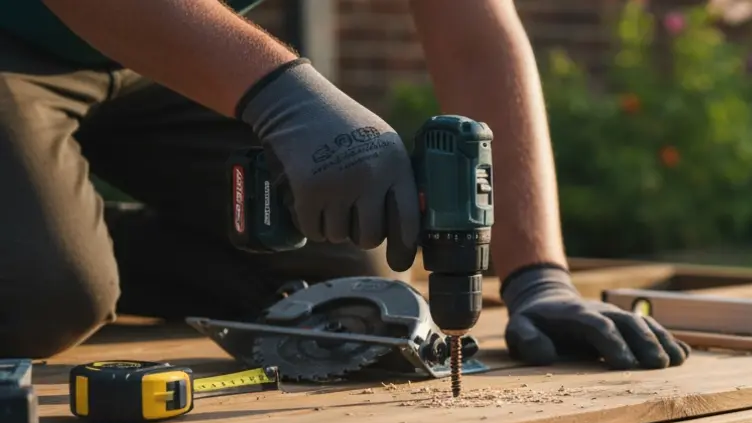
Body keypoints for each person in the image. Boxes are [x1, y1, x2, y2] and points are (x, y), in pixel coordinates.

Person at [0, 0, 689, 371]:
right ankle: (46, 241)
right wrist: (282, 96)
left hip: (161, 43)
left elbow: (474, 37)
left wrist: (538, 277)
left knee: (347, 266)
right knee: (43, 296)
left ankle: (62, 218)